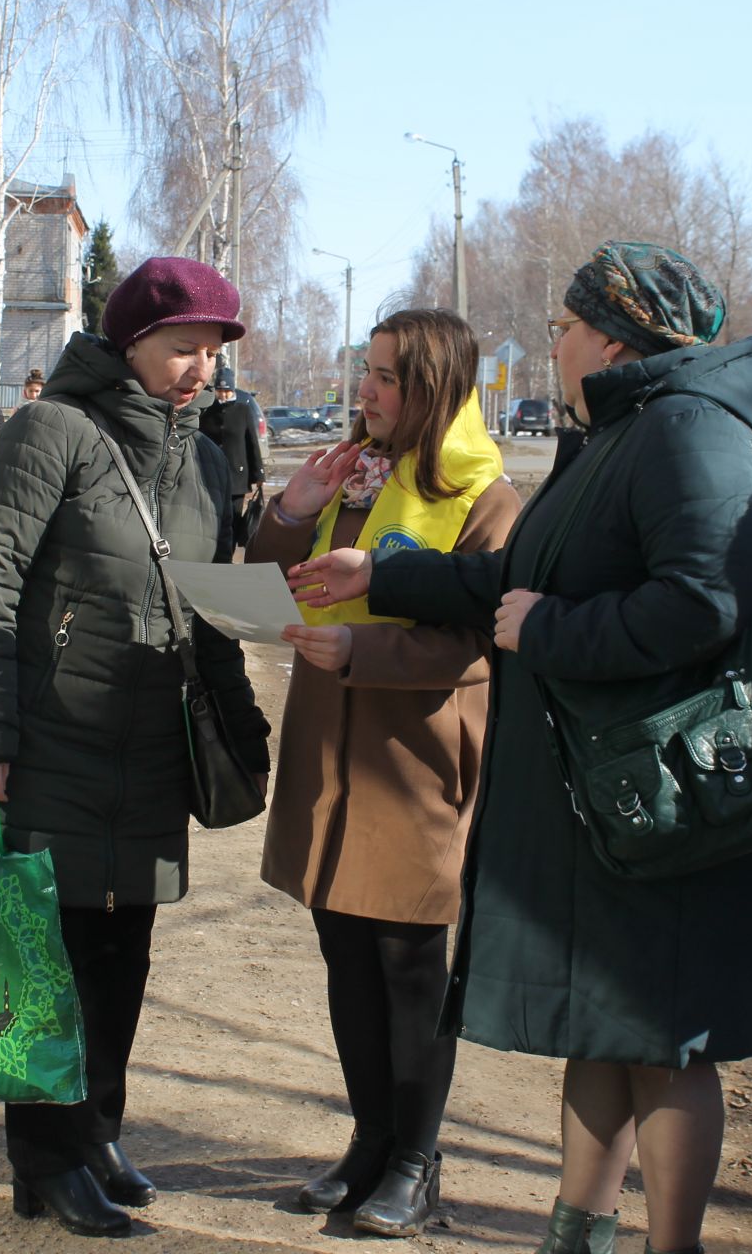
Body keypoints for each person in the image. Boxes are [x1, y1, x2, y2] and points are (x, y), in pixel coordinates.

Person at [290, 242, 752, 1254]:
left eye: (564, 326)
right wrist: (382, 575)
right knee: (603, 1025)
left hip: (671, 801)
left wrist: (549, 632)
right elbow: (513, 578)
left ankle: (669, 1241)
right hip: (615, 793)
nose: (554, 343)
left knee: (666, 1038)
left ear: (614, 335)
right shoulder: (630, 431)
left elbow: (701, 603)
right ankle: (580, 1230)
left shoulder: (692, 433)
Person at [0, 256, 271, 1239]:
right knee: (43, 951)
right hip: (51, 744)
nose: (200, 368)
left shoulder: (206, 460)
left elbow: (210, 606)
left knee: (124, 948)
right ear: (129, 342)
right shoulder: (54, 434)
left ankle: (98, 1130)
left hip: (148, 748)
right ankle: (45, 1159)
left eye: (213, 351)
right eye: (183, 346)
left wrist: (241, 735)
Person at [250, 308, 520, 1237]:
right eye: (364, 372)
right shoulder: (353, 474)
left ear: (436, 389)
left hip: (417, 753)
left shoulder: (486, 497)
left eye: (387, 378)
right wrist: (288, 508)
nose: (364, 392)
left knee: (408, 960)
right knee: (344, 951)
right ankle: (369, 1142)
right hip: (330, 740)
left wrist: (361, 658)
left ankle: (416, 1159)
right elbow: (269, 572)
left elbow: (478, 640)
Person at [198, 363, 266, 547]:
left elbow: (252, 443)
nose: (223, 394)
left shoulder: (242, 410)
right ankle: (216, 550)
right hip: (210, 473)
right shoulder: (207, 410)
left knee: (234, 517)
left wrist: (259, 474)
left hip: (237, 475)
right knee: (214, 516)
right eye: (220, 390)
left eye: (227, 390)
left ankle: (229, 551)